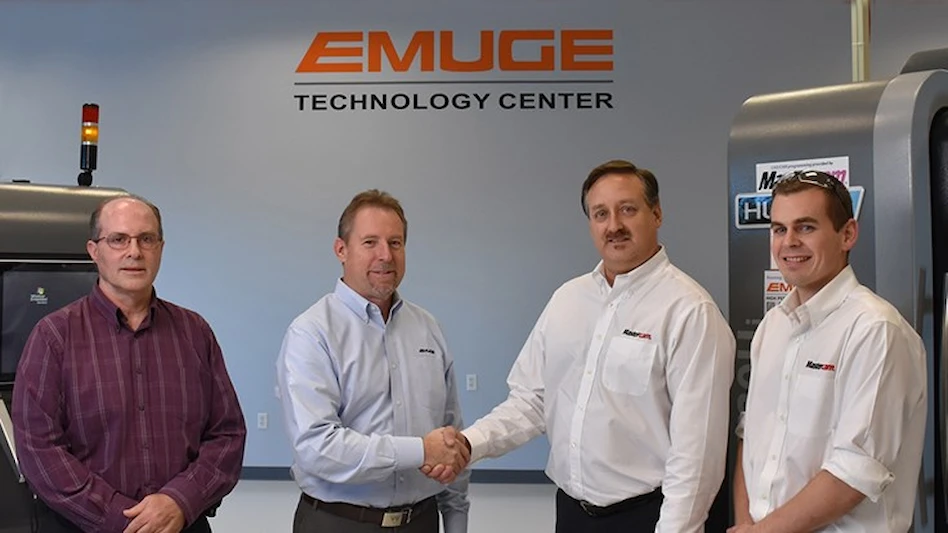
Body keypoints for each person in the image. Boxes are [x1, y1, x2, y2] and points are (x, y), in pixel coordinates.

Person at [427, 160, 735, 532]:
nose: (614, 225)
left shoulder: (690, 312)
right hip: (572, 513)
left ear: (656, 213)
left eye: (627, 209)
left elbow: (697, 458)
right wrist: (469, 443)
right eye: (600, 213)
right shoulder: (567, 299)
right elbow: (532, 401)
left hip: (650, 517)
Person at [12, 195, 247, 533]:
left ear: (160, 248)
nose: (134, 252)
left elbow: (227, 434)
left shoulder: (195, 333)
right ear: (94, 250)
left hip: (181, 524)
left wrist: (180, 500)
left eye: (146, 239)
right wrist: (120, 518)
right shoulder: (54, 337)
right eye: (119, 239)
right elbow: (39, 449)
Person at [730, 170, 927, 533]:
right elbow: (751, 436)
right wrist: (746, 523)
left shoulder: (875, 330)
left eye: (805, 227)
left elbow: (854, 472)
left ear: (847, 234)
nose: (789, 242)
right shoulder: (772, 326)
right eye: (779, 229)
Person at [275, 189, 470, 533]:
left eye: (395, 243)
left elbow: (451, 437)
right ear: (341, 250)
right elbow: (317, 448)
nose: (386, 255)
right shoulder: (312, 333)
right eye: (370, 242)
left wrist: (456, 520)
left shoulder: (428, 328)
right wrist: (420, 451)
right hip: (339, 522)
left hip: (421, 521)